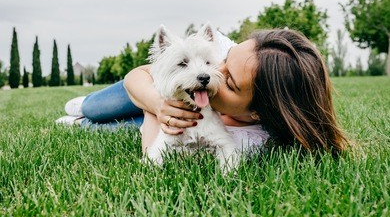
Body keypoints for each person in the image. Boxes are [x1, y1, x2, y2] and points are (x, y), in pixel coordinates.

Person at [56, 29, 349, 155]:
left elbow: (154, 150)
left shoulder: (249, 140)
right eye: (226, 59)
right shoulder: (212, 54)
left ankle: (80, 123)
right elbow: (139, 75)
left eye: (230, 81)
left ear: (257, 111)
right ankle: (85, 107)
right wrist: (157, 104)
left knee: (105, 129)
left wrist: (157, 120)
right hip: (149, 90)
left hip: (167, 120)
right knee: (96, 109)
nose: (215, 73)